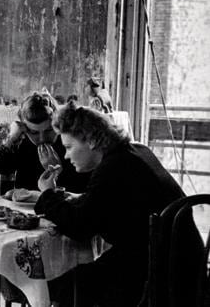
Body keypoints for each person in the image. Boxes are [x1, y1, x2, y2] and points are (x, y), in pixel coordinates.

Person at [35, 102, 204, 307]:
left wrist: (47, 194)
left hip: (156, 273)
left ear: (90, 140)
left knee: (57, 284)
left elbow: (79, 228)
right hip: (186, 260)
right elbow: (107, 204)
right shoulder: (136, 151)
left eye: (69, 147)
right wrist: (74, 199)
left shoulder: (113, 168)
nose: (66, 156)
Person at [0, 91, 90, 194]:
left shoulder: (70, 144)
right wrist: (10, 140)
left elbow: (83, 194)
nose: (42, 139)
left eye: (49, 130)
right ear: (24, 128)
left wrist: (58, 174)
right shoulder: (20, 142)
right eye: (34, 132)